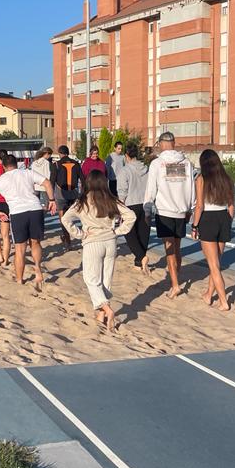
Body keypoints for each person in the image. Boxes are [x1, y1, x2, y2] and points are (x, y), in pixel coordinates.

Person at [62, 172, 136, 331]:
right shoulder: (111, 199)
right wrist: (118, 231)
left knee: (90, 278)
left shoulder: (82, 201)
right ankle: (101, 313)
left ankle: (107, 310)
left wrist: (79, 234)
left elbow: (65, 219)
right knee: (105, 279)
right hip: (110, 242)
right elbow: (131, 216)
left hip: (93, 242)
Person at [0, 153, 56, 290]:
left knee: (20, 248)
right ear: (17, 163)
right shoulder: (27, 173)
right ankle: (38, 270)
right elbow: (47, 183)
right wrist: (51, 200)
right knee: (35, 242)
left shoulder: (1, 180)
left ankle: (19, 279)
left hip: (18, 212)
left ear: (4, 166)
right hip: (35, 209)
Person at [143, 131, 195, 298]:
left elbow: (151, 188)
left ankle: (175, 284)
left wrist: (147, 209)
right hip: (181, 210)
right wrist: (190, 208)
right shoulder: (186, 163)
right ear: (174, 142)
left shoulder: (157, 164)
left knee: (169, 249)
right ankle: (175, 277)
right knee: (177, 248)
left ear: (160, 143)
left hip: (165, 211)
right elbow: (190, 186)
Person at [191, 149, 235, 311]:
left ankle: (223, 301)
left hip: (208, 219)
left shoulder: (201, 179)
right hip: (223, 217)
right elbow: (232, 206)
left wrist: (194, 226)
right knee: (216, 261)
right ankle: (209, 294)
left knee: (213, 264)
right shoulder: (227, 179)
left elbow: (200, 206)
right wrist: (228, 222)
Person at [117, 143, 150, 274]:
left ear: (126, 156)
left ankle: (141, 257)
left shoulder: (125, 171)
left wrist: (120, 209)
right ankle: (138, 263)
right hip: (145, 202)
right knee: (143, 233)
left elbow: (122, 192)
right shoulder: (146, 168)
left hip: (130, 204)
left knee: (129, 233)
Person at [53, 145, 83, 249]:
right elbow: (82, 179)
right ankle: (80, 236)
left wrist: (51, 199)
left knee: (63, 218)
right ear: (68, 153)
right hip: (73, 193)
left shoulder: (56, 164)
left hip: (61, 193)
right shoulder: (76, 163)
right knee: (76, 217)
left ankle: (67, 241)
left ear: (60, 154)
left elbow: (52, 181)